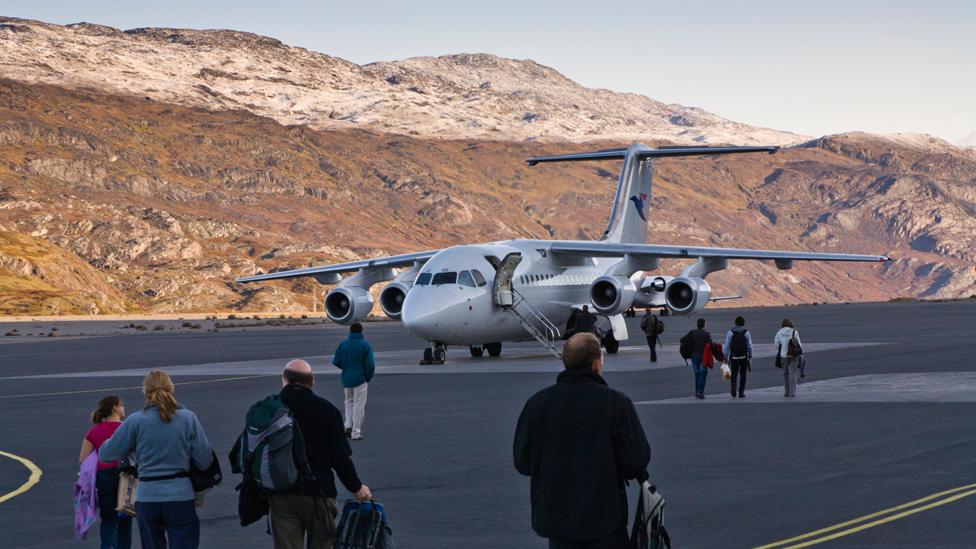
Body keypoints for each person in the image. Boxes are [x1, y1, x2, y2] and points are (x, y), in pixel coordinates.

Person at [513, 333, 651, 548]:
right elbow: (636, 460)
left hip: (556, 519)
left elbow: (522, 462)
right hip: (604, 517)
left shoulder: (537, 404)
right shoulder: (615, 403)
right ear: (596, 364)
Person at [100, 371, 214, 549]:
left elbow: (106, 454)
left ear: (145, 392)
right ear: (171, 389)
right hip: (180, 494)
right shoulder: (187, 418)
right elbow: (205, 460)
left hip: (148, 495)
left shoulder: (136, 421)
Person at [273, 359, 372, 549]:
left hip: (281, 494)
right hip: (318, 492)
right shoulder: (326, 410)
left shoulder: (270, 409)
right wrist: (356, 487)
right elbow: (339, 458)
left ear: (284, 379)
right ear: (312, 381)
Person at [79, 395, 132, 549]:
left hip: (105, 476)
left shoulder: (94, 431)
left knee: (108, 519)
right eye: (122, 405)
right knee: (126, 517)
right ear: (115, 407)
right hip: (126, 475)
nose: (123, 408)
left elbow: (83, 459)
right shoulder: (126, 428)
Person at [332, 322, 375, 440]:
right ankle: (356, 432)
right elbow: (370, 365)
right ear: (361, 331)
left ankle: (348, 426)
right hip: (360, 379)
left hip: (346, 379)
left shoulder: (343, 345)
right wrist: (367, 377)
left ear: (350, 331)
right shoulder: (365, 345)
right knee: (359, 406)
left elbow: (335, 361)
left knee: (348, 403)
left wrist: (345, 368)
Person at [724, 316, 753, 398]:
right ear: (743, 323)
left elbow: (726, 346)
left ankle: (733, 390)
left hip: (734, 357)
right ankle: (741, 392)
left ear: (735, 323)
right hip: (743, 356)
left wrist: (725, 356)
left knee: (734, 373)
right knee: (743, 374)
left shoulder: (730, 332)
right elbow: (750, 345)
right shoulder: (746, 332)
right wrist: (750, 354)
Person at [685, 318, 713, 399]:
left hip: (694, 356)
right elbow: (711, 345)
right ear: (704, 324)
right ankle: (700, 392)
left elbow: (684, 341)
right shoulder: (706, 334)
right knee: (702, 374)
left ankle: (697, 392)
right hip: (703, 356)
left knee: (697, 374)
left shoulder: (692, 333)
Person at [775, 319, 803, 397]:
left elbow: (776, 344)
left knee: (785, 373)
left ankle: (786, 392)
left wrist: (782, 349)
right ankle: (792, 393)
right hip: (794, 355)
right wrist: (801, 354)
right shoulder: (794, 332)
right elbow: (799, 344)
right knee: (793, 373)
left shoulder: (779, 332)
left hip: (783, 355)